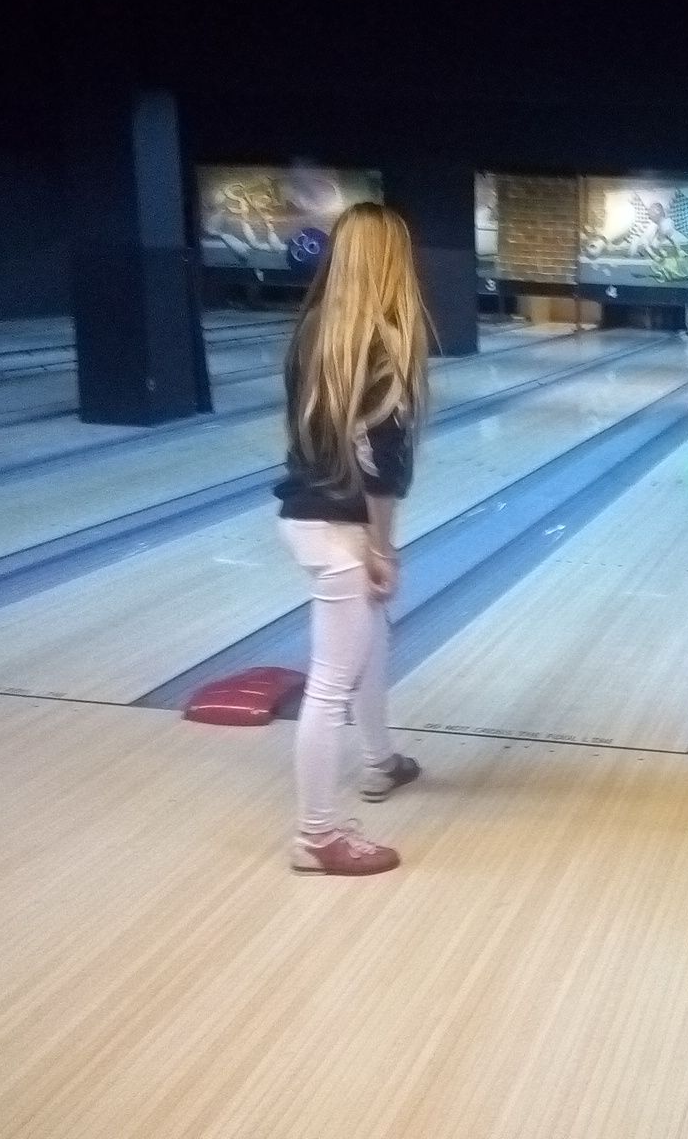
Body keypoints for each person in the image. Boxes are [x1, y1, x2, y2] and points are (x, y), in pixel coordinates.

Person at [273, 202, 430, 876]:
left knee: (367, 639)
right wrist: (380, 548)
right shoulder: (386, 343)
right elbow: (380, 464)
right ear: (394, 263)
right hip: (341, 527)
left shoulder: (314, 329)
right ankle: (316, 836)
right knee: (331, 682)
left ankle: (379, 760)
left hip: (305, 513)